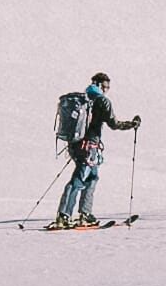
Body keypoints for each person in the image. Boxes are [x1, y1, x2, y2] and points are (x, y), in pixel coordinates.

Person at [53, 70, 136, 228]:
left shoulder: (83, 99)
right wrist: (131, 124)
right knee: (79, 178)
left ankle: (85, 213)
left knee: (92, 177)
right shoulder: (102, 101)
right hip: (89, 146)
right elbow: (114, 124)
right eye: (106, 87)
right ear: (99, 85)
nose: (106, 90)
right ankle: (64, 215)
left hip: (75, 144)